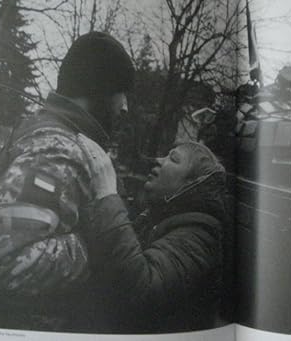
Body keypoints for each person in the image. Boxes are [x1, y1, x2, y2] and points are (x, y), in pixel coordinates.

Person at [0, 31, 135, 331]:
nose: (125, 106)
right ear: (97, 89)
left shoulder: (53, 135)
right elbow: (2, 262)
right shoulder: (56, 147)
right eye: (120, 92)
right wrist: (101, 245)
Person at [79, 140, 230, 333]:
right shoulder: (163, 215)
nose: (158, 159)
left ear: (191, 184)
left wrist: (107, 195)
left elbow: (142, 287)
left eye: (173, 159)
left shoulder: (199, 236)